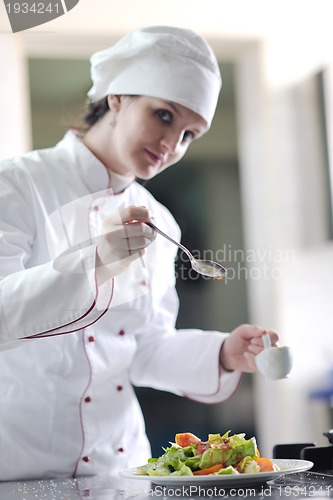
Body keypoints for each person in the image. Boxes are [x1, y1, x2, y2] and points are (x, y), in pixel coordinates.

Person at [0, 26, 279, 481]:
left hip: (120, 468)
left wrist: (224, 353)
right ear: (117, 98)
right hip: (17, 467)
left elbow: (145, 348)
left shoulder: (160, 223)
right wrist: (94, 264)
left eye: (190, 133)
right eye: (164, 115)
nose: (172, 145)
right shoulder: (16, 185)